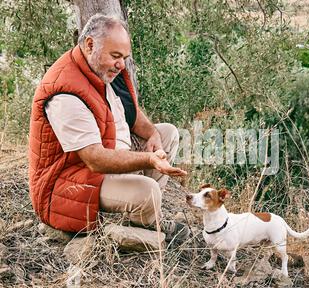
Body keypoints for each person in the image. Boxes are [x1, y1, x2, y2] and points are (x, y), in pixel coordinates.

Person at [28, 14, 190, 243]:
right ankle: (146, 221)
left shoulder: (105, 70)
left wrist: (152, 134)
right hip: (70, 181)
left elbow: (132, 115)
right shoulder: (65, 92)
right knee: (149, 191)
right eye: (115, 56)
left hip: (110, 156)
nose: (121, 64)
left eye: (124, 57)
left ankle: (144, 218)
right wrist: (149, 159)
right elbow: (95, 160)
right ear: (90, 45)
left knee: (168, 133)